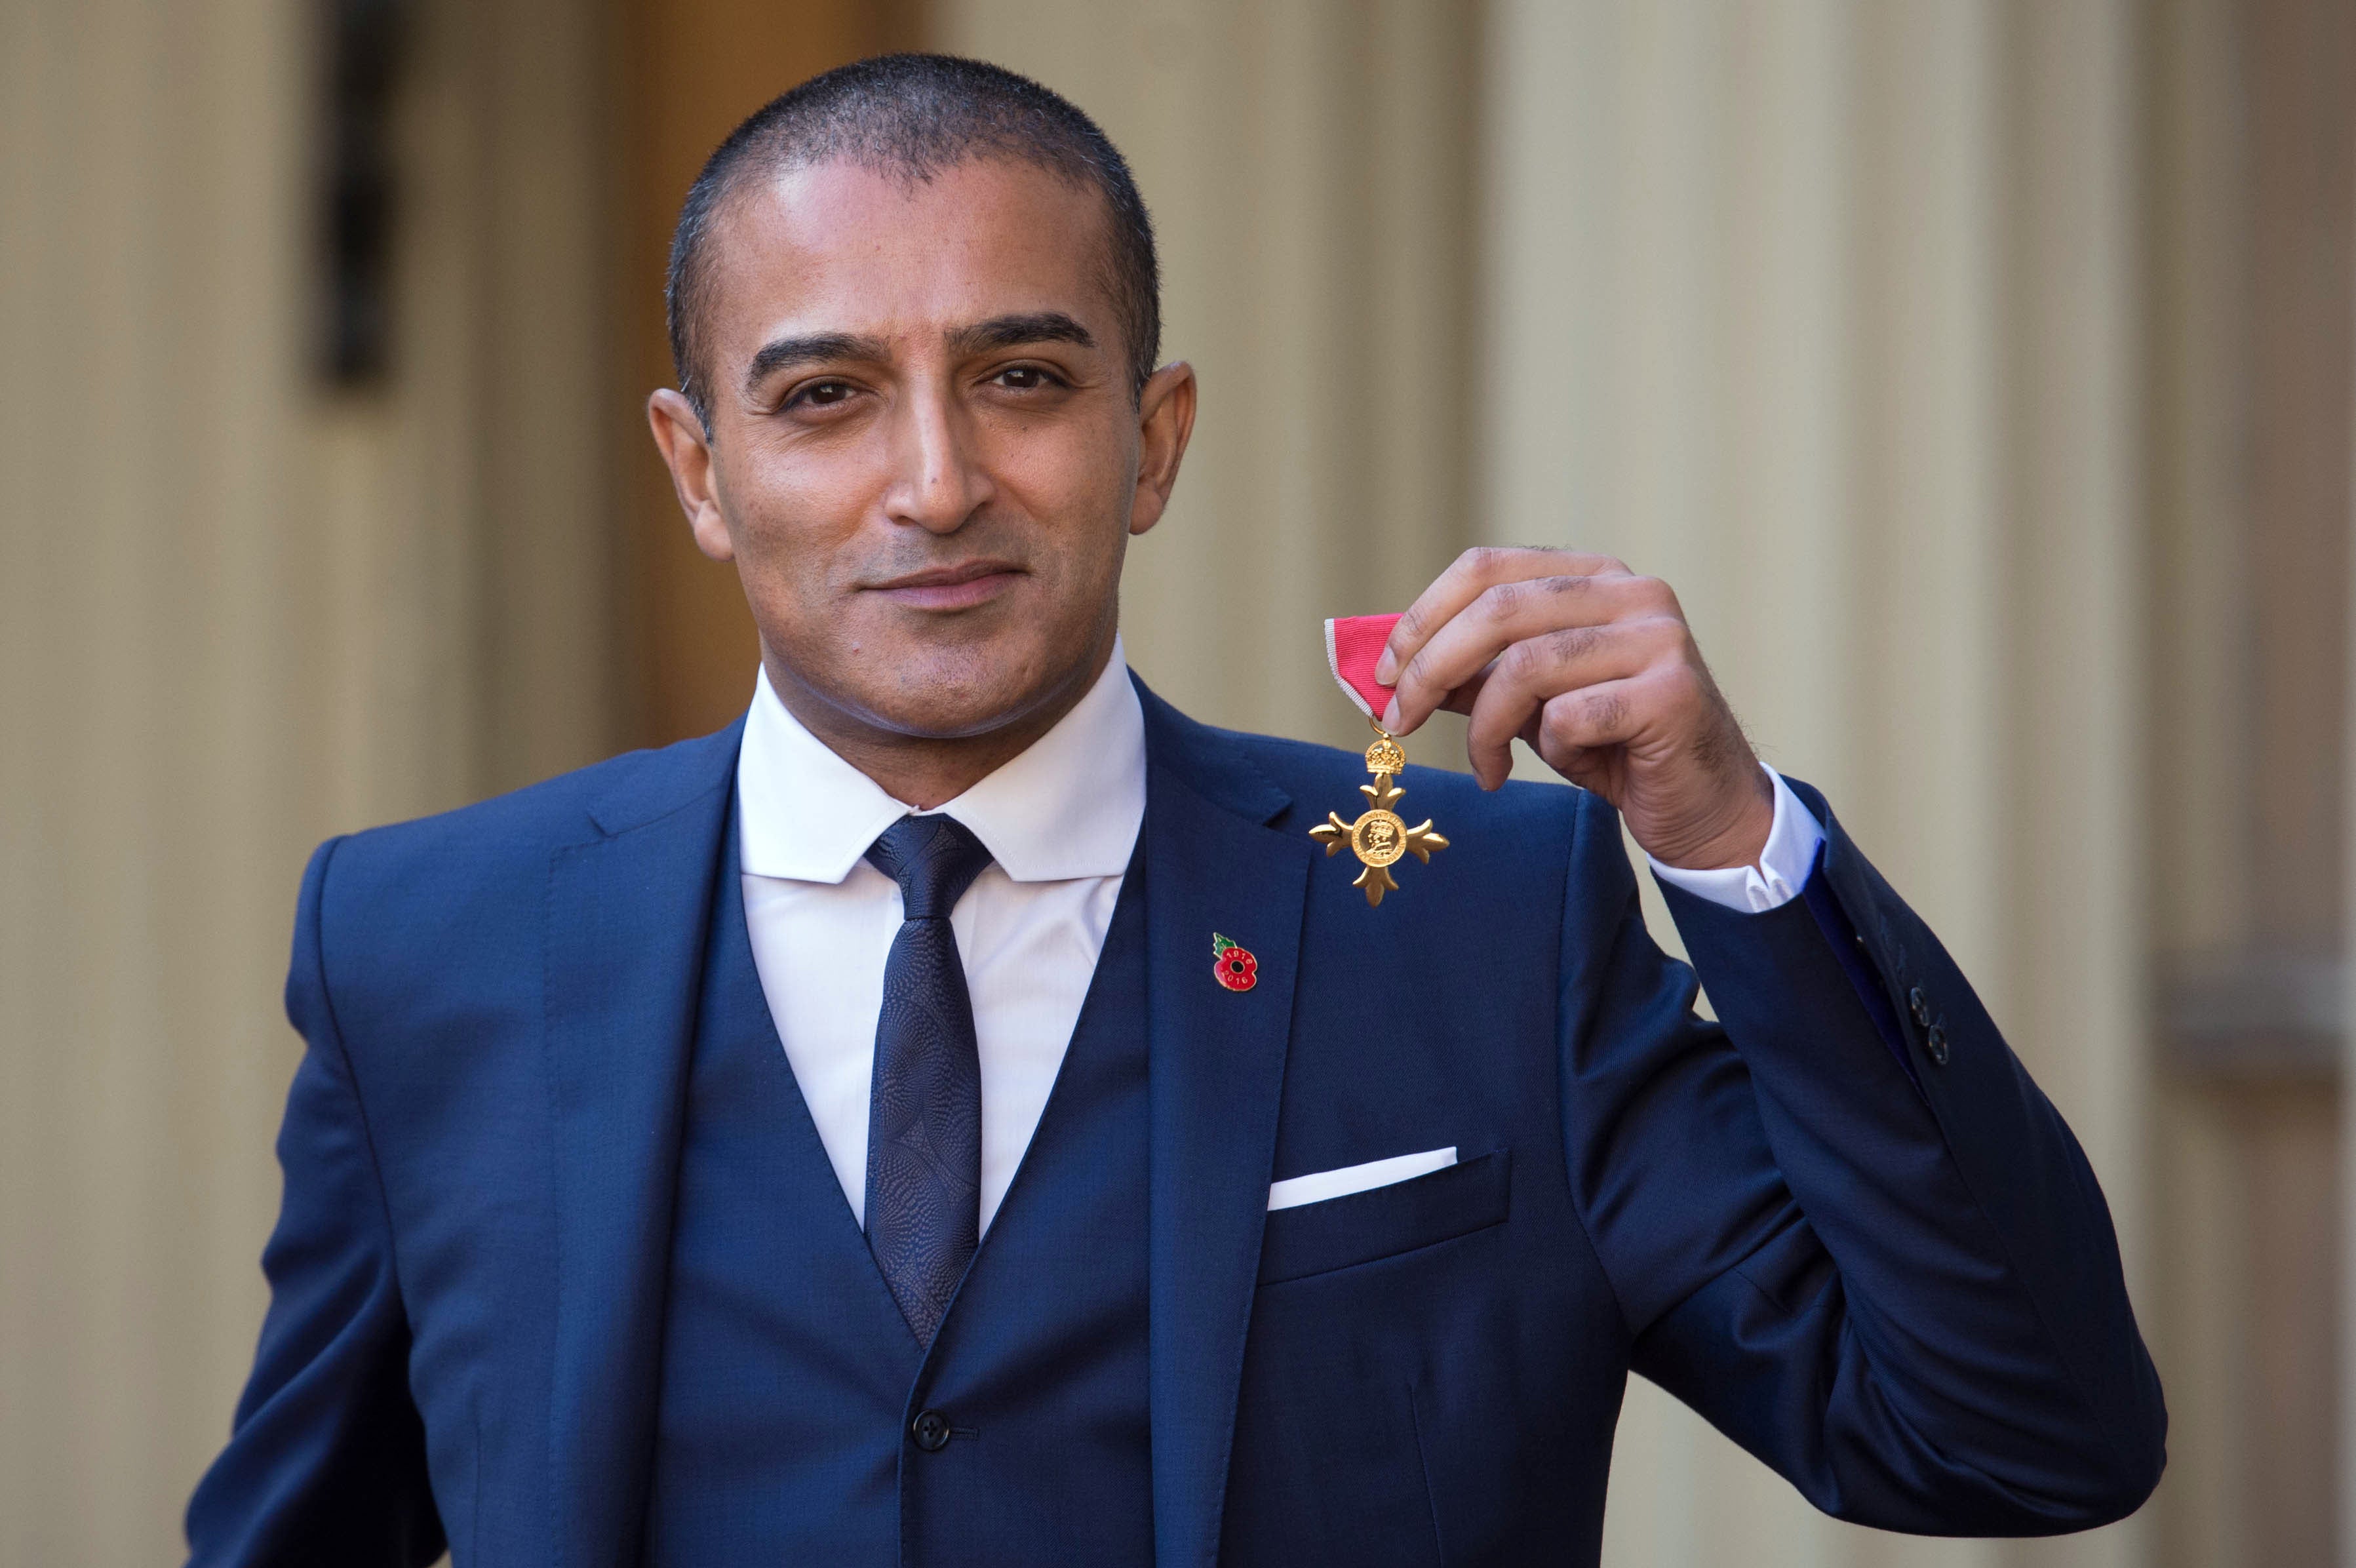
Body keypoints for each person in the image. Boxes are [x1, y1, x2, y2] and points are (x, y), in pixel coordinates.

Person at [185, 53, 2163, 1568]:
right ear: (699, 471)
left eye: (1022, 377)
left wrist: (1731, 842)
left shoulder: (1475, 916)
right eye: (824, 399)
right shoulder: (425, 946)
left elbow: (2014, 1435)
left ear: (1151, 436)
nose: (936, 481)